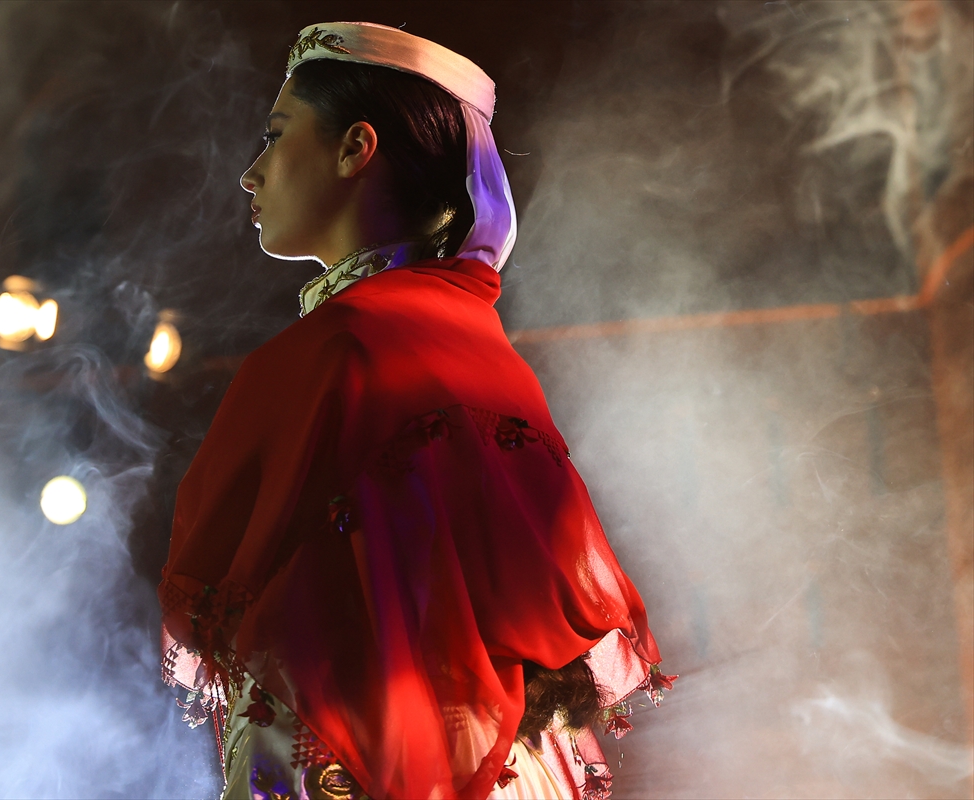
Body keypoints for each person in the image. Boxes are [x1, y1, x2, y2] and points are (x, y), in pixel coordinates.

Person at [157, 22, 672, 800]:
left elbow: (276, 620)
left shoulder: (336, 350)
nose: (249, 173)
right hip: (513, 763)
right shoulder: (486, 352)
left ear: (354, 148)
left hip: (373, 754)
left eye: (275, 135)